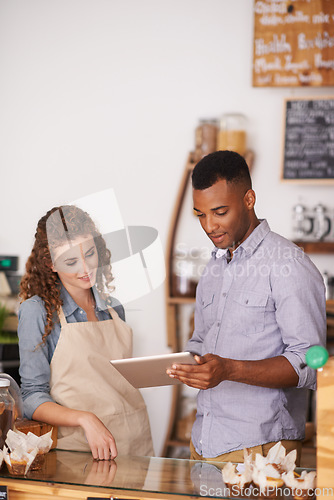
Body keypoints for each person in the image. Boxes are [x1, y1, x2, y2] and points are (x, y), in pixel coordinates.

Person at [167, 150, 326, 464]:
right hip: (203, 443)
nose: (209, 225)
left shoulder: (289, 264)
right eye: (200, 214)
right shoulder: (213, 268)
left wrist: (229, 369)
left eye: (220, 211)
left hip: (262, 450)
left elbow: (311, 364)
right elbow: (201, 342)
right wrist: (186, 365)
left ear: (249, 199)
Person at [18, 205, 154, 460]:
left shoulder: (114, 309)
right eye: (71, 261)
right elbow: (31, 397)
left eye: (90, 254)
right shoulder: (38, 312)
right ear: (50, 263)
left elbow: (116, 384)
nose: (85, 268)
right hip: (79, 451)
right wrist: (85, 418)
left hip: (134, 441)